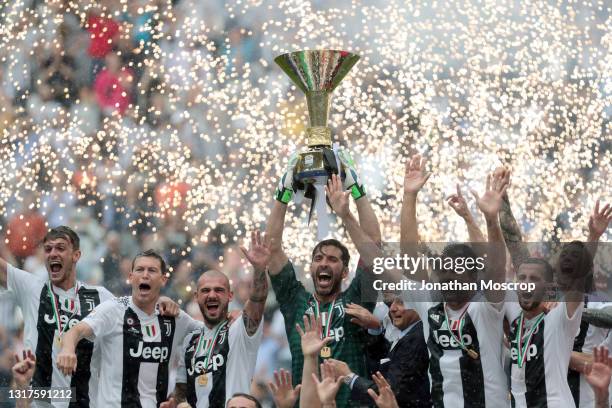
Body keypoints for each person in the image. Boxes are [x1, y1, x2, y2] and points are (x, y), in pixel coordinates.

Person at [391, 155, 511, 407]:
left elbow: (497, 267)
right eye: (444, 270)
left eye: (457, 270)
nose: (448, 276)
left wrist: (491, 220)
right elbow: (409, 258)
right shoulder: (430, 307)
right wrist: (410, 195)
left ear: (473, 277)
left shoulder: (487, 308)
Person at [267, 149, 381, 407]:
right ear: (310, 268)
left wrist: (356, 192)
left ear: (344, 271)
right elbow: (272, 249)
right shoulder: (296, 303)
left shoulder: (355, 301)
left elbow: (374, 247)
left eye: (332, 259)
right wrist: (283, 193)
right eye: (318, 258)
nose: (324, 263)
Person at [56, 249, 200, 407]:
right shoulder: (113, 309)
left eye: (152, 270)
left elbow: (211, 330)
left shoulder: (173, 317)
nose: (145, 275)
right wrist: (67, 349)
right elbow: (75, 331)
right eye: (140, 270)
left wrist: (231, 316)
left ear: (163, 279)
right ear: (131, 277)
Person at [0, 226, 114, 408]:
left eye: (60, 248)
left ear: (76, 255)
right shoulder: (31, 288)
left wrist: (163, 302)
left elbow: (135, 310)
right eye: (48, 249)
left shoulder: (101, 296)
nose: (53, 253)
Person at [173, 230, 268, 407]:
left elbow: (257, 300)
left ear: (230, 296)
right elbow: (181, 390)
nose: (212, 295)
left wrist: (260, 270)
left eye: (219, 290)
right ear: (196, 297)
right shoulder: (189, 341)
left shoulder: (239, 330)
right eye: (205, 290)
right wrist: (174, 402)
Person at [506, 250, 589, 407]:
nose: (526, 283)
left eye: (534, 279)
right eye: (522, 278)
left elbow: (577, 283)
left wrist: (594, 236)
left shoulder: (558, 317)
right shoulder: (515, 315)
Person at [328, 296, 432, 407]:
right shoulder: (408, 332)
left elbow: (388, 394)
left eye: (401, 303)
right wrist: (375, 328)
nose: (392, 308)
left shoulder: (417, 339)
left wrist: (349, 377)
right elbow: (385, 360)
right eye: (392, 303)